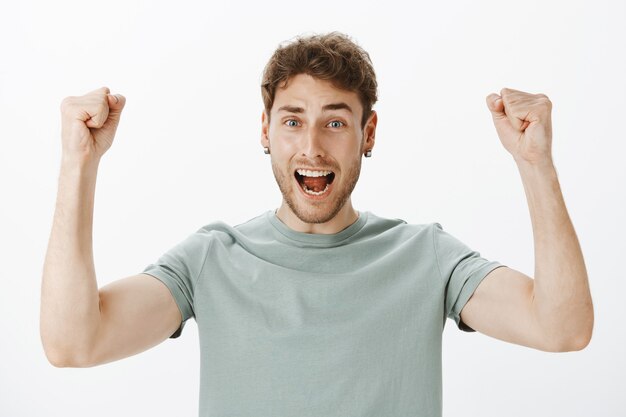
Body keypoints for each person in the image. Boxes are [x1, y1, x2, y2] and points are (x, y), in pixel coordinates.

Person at [40, 31, 594, 416]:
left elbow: (562, 327)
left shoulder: (427, 257)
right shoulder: (212, 258)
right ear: (265, 131)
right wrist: (78, 164)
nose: (311, 146)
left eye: (335, 121)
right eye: (292, 121)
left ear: (367, 134)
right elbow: (73, 343)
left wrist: (535, 162)